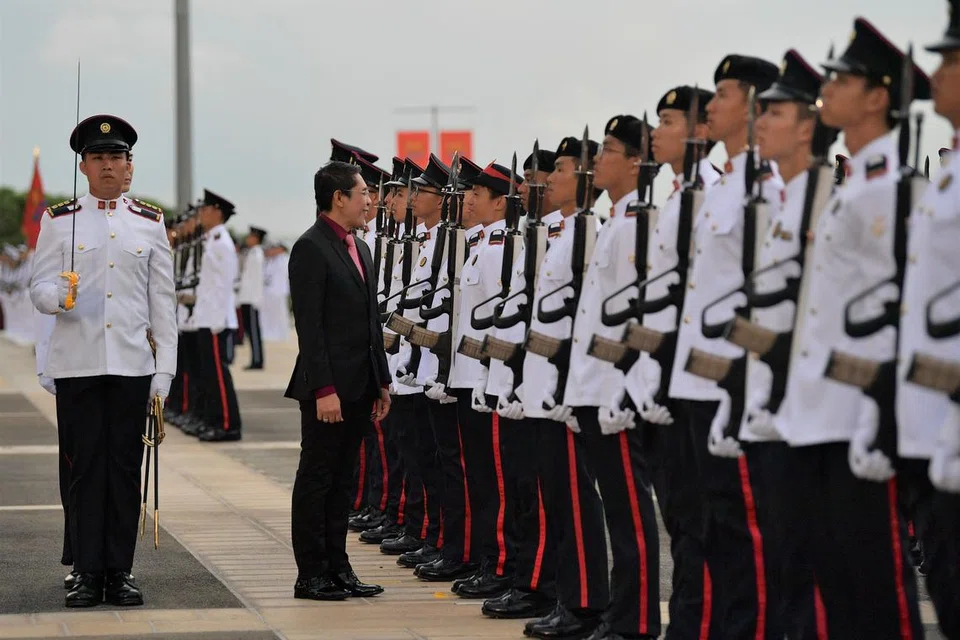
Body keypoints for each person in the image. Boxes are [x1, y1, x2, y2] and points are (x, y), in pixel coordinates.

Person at [773, 18, 926, 636]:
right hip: (819, 413)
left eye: (843, 80)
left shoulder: (893, 190)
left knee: (877, 590)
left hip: (860, 414)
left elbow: (896, 313)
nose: (827, 89)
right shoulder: (849, 187)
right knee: (834, 584)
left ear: (878, 97)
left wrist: (877, 416)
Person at [30, 114, 177, 607]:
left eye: (116, 156)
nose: (108, 165)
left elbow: (163, 303)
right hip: (78, 365)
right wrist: (55, 296)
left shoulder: (150, 223)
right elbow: (38, 287)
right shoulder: (59, 221)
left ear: (129, 164)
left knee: (125, 469)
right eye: (98, 157)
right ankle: (87, 571)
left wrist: (164, 370)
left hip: (132, 366)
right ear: (84, 166)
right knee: (84, 469)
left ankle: (120, 571)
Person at [285, 160, 391, 601]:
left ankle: (339, 568)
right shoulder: (310, 247)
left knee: (345, 480)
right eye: (363, 193)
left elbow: (371, 322)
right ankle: (311, 573)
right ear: (338, 198)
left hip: (360, 386)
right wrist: (324, 390)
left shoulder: (360, 248)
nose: (370, 201)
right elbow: (310, 329)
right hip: (328, 390)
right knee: (318, 478)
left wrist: (381, 381)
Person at [192, 190, 243, 442]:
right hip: (206, 317)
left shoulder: (222, 242)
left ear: (216, 212)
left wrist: (216, 321)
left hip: (216, 320)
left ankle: (228, 425)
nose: (201, 214)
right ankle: (215, 420)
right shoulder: (211, 240)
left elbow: (225, 285)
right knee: (210, 376)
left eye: (205, 210)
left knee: (219, 377)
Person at [238, 225, 267, 370]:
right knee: (251, 331)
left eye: (250, 236)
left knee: (254, 332)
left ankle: (257, 360)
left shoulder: (256, 254)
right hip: (247, 298)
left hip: (251, 299)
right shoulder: (252, 253)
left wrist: (254, 300)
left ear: (256, 238)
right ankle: (256, 359)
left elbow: (255, 280)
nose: (248, 239)